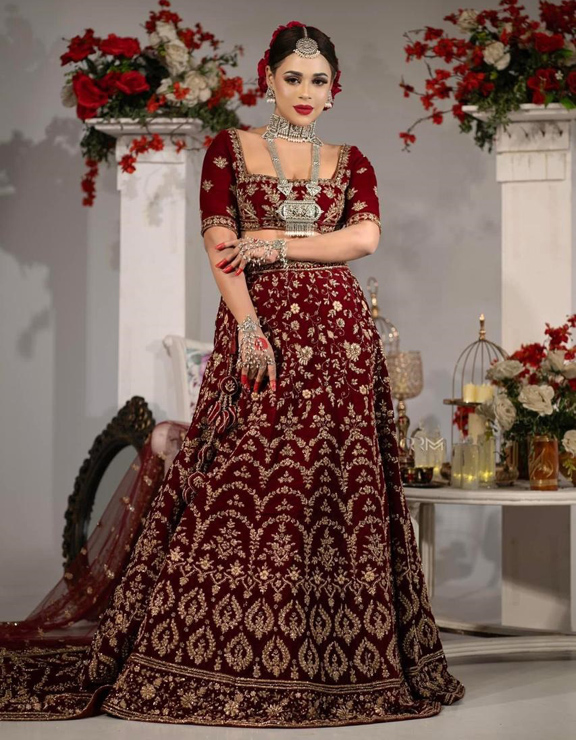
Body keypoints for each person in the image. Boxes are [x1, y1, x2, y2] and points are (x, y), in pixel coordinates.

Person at [0, 21, 464, 727]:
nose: (305, 91)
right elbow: (220, 240)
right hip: (261, 329)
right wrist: (248, 325)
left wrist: (274, 241)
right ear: (267, 81)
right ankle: (229, 654)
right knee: (246, 483)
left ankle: (334, 659)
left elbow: (364, 238)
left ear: (333, 91)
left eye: (318, 81)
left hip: (340, 343)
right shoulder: (230, 149)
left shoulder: (351, 160)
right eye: (292, 78)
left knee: (329, 485)